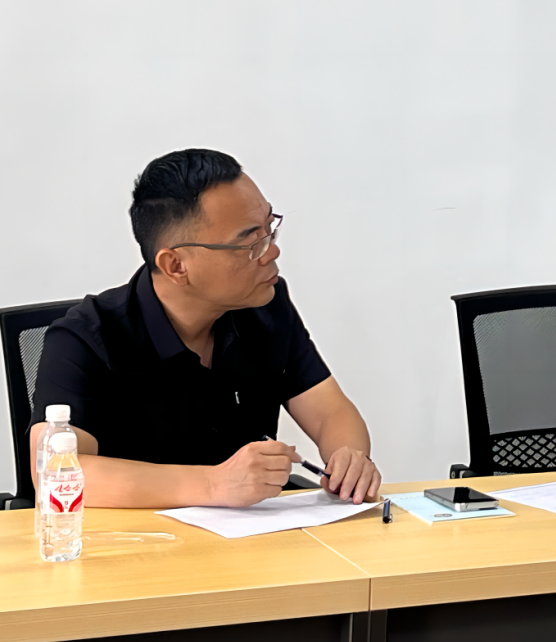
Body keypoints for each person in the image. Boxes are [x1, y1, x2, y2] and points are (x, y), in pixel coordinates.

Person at [30, 149, 381, 507]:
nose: (271, 252)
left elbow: (328, 411)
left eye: (270, 229)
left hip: (253, 535)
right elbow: (54, 473)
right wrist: (214, 485)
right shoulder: (85, 338)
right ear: (176, 265)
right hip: (136, 538)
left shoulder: (266, 307)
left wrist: (350, 457)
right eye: (250, 242)